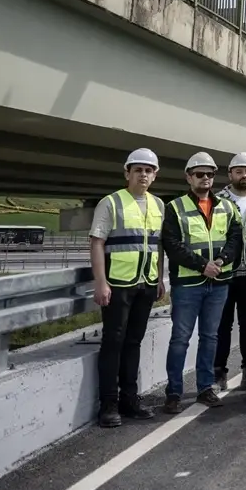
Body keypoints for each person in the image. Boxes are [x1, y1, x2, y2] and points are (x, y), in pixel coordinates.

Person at [161, 152, 242, 413]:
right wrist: (201, 265)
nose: (205, 178)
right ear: (189, 177)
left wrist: (220, 260)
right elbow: (172, 245)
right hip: (187, 284)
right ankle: (174, 392)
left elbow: (235, 239)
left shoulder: (227, 207)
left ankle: (205, 388)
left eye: (209, 174)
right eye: (199, 174)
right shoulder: (175, 207)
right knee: (180, 339)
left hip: (218, 283)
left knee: (210, 337)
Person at [90, 148, 165, 428]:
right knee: (113, 343)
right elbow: (97, 242)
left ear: (155, 175)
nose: (143, 175)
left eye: (148, 170)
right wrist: (101, 281)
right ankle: (108, 405)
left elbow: (157, 245)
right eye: (138, 170)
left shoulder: (159, 205)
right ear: (127, 173)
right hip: (118, 285)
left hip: (145, 284)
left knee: (134, 343)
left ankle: (129, 400)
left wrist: (158, 278)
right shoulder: (111, 203)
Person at [214, 152, 246, 392]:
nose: (244, 175)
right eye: (239, 171)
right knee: (223, 325)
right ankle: (219, 371)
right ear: (230, 173)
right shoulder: (217, 199)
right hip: (225, 273)